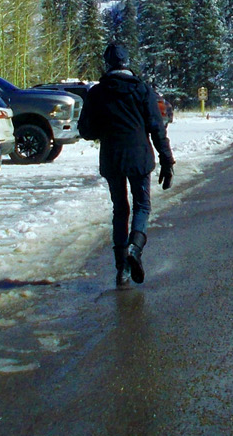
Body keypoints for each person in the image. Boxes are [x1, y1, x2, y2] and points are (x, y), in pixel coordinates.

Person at [78, 43, 174, 288]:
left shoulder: (97, 93)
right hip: (140, 157)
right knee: (142, 206)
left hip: (112, 158)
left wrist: (106, 127)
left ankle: (121, 269)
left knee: (120, 210)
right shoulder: (142, 89)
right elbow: (156, 126)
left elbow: (86, 131)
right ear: (127, 63)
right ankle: (135, 248)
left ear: (107, 63)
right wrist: (166, 159)